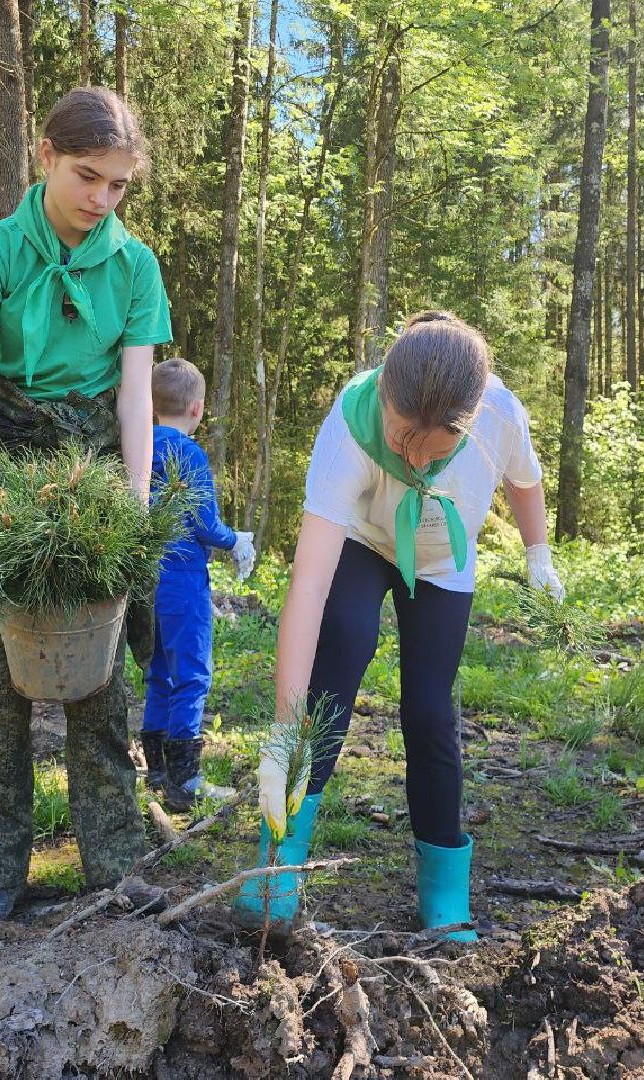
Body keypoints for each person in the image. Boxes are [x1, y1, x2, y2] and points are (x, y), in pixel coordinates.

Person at [233, 311, 564, 942]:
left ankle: (444, 891)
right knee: (338, 660)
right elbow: (308, 586)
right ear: (385, 388)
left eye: (429, 449)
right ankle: (280, 861)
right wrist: (283, 728)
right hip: (364, 542)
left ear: (467, 424)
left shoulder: (499, 414)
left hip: (443, 562)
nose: (411, 458)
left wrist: (538, 556)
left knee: (430, 712)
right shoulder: (351, 423)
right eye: (401, 437)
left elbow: (525, 481)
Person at [0, 86, 172, 925]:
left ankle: (114, 872)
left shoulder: (136, 266)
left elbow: (136, 397)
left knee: (98, 685)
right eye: (87, 176)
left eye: (118, 184)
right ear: (45, 155)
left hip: (95, 470)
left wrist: (134, 506)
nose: (101, 199)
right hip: (6, 463)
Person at [140, 359, 255, 812]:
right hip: (183, 576)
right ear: (197, 408)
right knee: (192, 673)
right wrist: (235, 540)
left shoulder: (138, 443)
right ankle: (185, 780)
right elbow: (204, 523)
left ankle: (157, 770)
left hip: (145, 577)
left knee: (158, 671)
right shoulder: (188, 454)